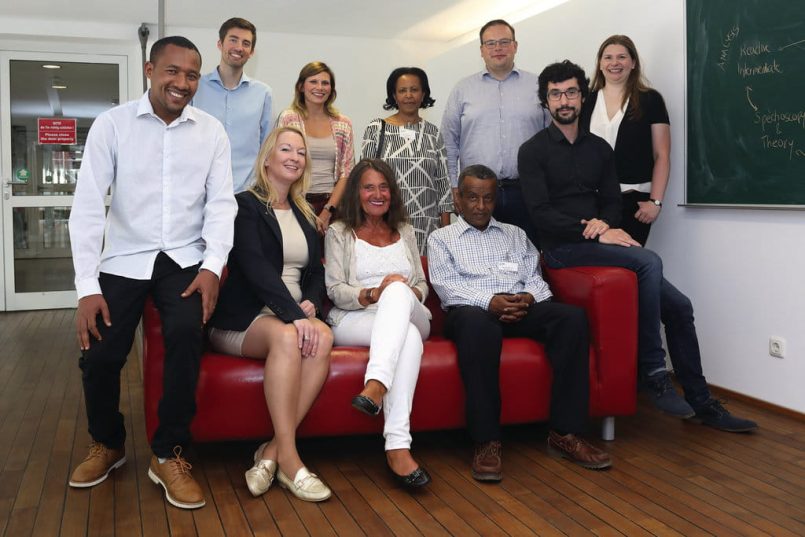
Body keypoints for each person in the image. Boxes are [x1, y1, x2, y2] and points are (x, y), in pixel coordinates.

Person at [519, 60, 758, 433]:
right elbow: (541, 214)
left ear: (582, 97)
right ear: (545, 101)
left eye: (570, 92)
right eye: (555, 94)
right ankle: (653, 370)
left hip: (598, 242)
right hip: (562, 251)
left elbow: (613, 202)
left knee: (680, 306)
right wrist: (595, 230)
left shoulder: (599, 149)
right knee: (647, 261)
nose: (563, 100)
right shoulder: (532, 151)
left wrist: (605, 224)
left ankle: (702, 402)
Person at [67, 36, 238, 509]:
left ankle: (169, 453)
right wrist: (86, 288)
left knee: (186, 337)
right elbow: (85, 208)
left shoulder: (211, 133)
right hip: (123, 257)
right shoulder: (112, 126)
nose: (182, 83)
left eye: (191, 75)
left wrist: (211, 268)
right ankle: (108, 442)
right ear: (149, 69)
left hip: (183, 258)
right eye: (172, 72)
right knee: (98, 356)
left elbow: (221, 207)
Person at [427, 164, 611, 481]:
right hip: (470, 312)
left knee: (570, 318)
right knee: (478, 326)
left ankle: (565, 433)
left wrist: (527, 298)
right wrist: (490, 302)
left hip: (518, 306)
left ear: (496, 198)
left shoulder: (515, 234)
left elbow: (536, 279)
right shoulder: (441, 238)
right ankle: (486, 441)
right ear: (458, 198)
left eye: (487, 198)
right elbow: (446, 286)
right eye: (472, 197)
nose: (480, 206)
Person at [208, 126, 333, 502]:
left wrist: (309, 302)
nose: (294, 156)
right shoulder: (244, 206)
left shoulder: (306, 212)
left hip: (290, 316)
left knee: (323, 335)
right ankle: (292, 463)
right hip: (244, 319)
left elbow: (316, 272)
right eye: (285, 149)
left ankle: (270, 453)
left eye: (301, 151)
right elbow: (253, 267)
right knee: (287, 335)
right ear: (267, 158)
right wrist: (294, 314)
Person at [324, 159, 432, 489]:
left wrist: (399, 291)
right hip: (356, 317)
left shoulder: (407, 229)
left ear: (393, 192)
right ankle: (398, 447)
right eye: (368, 187)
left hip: (410, 309)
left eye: (384, 187)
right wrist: (374, 292)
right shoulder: (339, 232)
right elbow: (335, 290)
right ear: (356, 193)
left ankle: (376, 385)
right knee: (408, 338)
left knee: (400, 290)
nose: (377, 194)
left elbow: (423, 285)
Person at [441, 19, 550, 247]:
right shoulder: (463, 89)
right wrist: (453, 187)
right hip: (475, 193)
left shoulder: (539, 86)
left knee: (528, 255)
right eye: (490, 43)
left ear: (515, 46)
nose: (497, 48)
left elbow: (551, 138)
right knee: (475, 256)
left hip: (527, 191)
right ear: (481, 50)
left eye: (504, 42)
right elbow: (448, 143)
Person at [580, 35, 670, 246]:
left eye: (622, 57)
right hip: (593, 202)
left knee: (629, 265)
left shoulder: (650, 100)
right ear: (600, 64)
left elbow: (662, 155)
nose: (614, 63)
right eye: (608, 57)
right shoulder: (586, 101)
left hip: (634, 203)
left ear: (633, 62)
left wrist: (655, 202)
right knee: (599, 267)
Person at [361, 67, 453, 254]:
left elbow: (443, 183)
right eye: (402, 90)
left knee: (424, 280)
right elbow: (363, 180)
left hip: (427, 227)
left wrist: (445, 232)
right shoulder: (377, 129)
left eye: (414, 89)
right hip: (387, 222)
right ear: (394, 95)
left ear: (423, 93)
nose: (409, 95)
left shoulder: (433, 133)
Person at [193, 17, 272, 193]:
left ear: (251, 52)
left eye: (246, 43)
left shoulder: (263, 93)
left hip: (247, 191)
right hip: (201, 190)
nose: (239, 47)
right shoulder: (196, 87)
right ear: (220, 44)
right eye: (233, 40)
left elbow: (267, 146)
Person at [277, 62, 355, 232]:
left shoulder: (343, 124)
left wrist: (328, 210)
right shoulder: (289, 118)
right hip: (294, 203)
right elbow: (279, 162)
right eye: (313, 81)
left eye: (325, 83)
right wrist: (301, 207)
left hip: (332, 206)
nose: (320, 87)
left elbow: (346, 171)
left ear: (331, 89)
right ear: (301, 87)